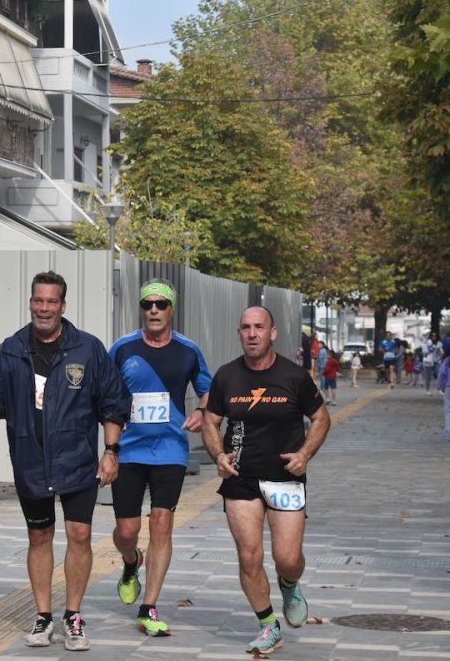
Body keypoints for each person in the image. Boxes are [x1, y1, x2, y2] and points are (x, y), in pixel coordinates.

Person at [0, 271, 130, 652]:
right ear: (31, 303)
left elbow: (113, 402)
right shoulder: (12, 350)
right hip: (30, 460)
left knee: (80, 535)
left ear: (63, 305)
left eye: (52, 302)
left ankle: (73, 615)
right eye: (38, 301)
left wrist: (111, 452)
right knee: (39, 536)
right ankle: (43, 616)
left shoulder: (87, 349)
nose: (44, 308)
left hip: (77, 460)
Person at [201, 306, 330, 656]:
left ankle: (289, 583)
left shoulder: (294, 376)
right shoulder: (227, 376)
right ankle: (268, 625)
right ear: (239, 333)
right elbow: (211, 422)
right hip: (241, 478)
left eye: (259, 327)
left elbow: (321, 419)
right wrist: (219, 456)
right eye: (246, 327)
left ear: (272, 333)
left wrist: (304, 454)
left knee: (287, 558)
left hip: (285, 478)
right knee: (249, 556)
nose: (252, 333)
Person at [108, 279, 211, 636]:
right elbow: (104, 391)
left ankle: (148, 606)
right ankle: (131, 560)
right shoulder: (122, 348)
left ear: (171, 310)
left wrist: (202, 411)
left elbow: (208, 389)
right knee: (127, 531)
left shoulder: (188, 350)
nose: (154, 310)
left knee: (162, 523)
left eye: (161, 304)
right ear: (141, 309)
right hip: (129, 449)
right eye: (147, 304)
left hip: (170, 449)